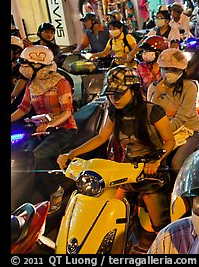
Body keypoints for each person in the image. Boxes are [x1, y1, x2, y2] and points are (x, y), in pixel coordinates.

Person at [57, 65, 176, 232]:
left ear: (134, 90)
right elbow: (101, 137)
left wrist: (156, 161)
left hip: (152, 167)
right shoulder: (114, 112)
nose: (115, 99)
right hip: (127, 166)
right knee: (112, 204)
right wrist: (72, 153)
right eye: (111, 95)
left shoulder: (153, 111)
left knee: (158, 220)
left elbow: (169, 141)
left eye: (119, 94)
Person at [11, 45, 77, 213]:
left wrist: (50, 124)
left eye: (26, 65)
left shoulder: (60, 82)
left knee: (38, 156)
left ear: (38, 65)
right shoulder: (31, 85)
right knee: (23, 156)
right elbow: (23, 108)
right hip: (40, 130)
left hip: (64, 129)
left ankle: (55, 190)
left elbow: (67, 111)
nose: (22, 69)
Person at [147, 48, 199, 178]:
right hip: (162, 133)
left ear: (182, 71)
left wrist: (163, 131)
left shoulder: (189, 87)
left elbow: (181, 118)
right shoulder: (153, 87)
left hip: (188, 131)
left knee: (176, 163)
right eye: (166, 69)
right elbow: (150, 113)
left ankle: (181, 194)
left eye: (174, 70)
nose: (169, 73)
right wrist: (157, 93)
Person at [11, 35, 28, 109]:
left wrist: (12, 97)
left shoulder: (24, 67)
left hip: (22, 105)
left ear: (17, 51)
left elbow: (22, 80)